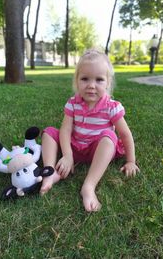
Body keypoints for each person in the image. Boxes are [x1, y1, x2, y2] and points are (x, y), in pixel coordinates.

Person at [40, 49, 140, 212]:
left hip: (98, 152)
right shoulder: (73, 103)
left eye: (99, 80)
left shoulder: (111, 107)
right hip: (75, 147)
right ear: (77, 81)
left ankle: (88, 186)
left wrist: (131, 161)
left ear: (107, 82)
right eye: (85, 79)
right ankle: (50, 172)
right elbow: (65, 130)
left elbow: (125, 135)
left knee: (109, 136)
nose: (91, 85)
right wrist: (67, 155)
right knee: (49, 132)